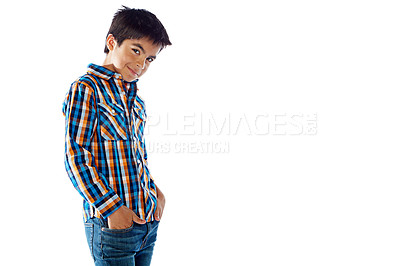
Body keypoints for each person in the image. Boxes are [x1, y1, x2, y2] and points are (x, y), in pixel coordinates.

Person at [62, 6, 171, 265]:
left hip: (147, 222)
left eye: (149, 59)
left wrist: (155, 190)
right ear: (112, 42)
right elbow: (75, 157)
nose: (141, 64)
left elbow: (136, 155)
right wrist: (112, 208)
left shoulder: (137, 102)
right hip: (113, 226)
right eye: (136, 50)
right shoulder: (87, 89)